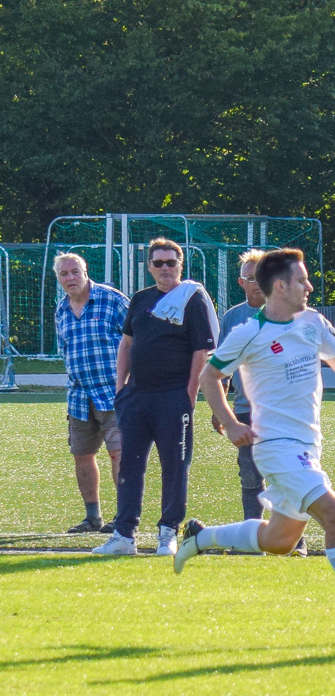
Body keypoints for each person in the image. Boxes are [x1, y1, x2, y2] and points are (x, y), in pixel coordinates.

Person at [173, 248, 335, 633]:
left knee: (278, 540)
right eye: (302, 280)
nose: (309, 286)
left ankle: (200, 537)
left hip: (307, 446)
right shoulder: (249, 333)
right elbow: (209, 377)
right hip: (276, 448)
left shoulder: (313, 322)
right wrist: (231, 423)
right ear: (280, 286)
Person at [92, 238, 217, 557]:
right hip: (136, 398)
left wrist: (189, 394)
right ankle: (124, 535)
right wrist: (121, 388)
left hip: (173, 398)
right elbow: (127, 343)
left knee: (175, 466)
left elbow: (201, 351)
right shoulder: (140, 299)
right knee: (129, 467)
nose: (165, 268)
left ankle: (168, 533)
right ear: (149, 267)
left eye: (170, 262)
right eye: (158, 263)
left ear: (180, 265)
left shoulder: (191, 300)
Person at [216, 250, 307, 556]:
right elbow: (222, 368)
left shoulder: (292, 313)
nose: (255, 283)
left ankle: (295, 542)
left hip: (283, 413)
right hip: (246, 410)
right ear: (241, 282)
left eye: (260, 276)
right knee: (250, 477)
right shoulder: (232, 317)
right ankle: (250, 540)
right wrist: (222, 411)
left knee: (289, 475)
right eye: (249, 278)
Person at [52, 253, 127, 534]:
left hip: (114, 393)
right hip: (79, 397)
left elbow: (136, 339)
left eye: (75, 272)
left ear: (86, 272)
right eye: (64, 274)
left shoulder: (112, 300)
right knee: (82, 455)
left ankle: (124, 516)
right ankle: (92, 516)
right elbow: (64, 349)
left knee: (119, 454)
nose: (70, 278)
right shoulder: (61, 309)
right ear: (59, 279)